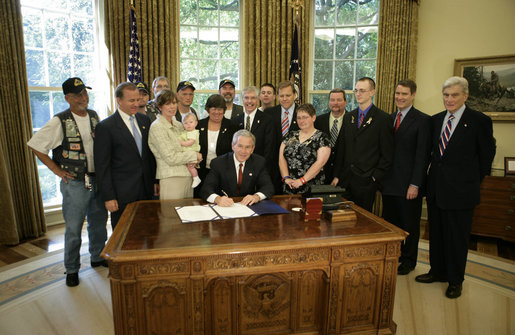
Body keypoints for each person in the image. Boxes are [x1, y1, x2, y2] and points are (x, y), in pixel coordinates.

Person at [415, 76, 495, 299]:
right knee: (437, 235)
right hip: (436, 190)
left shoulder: (479, 121)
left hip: (462, 193)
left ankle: (455, 280)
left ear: (466, 96)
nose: (449, 100)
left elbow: (486, 156)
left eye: (454, 95)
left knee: (457, 239)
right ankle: (437, 271)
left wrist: (470, 181)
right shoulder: (435, 120)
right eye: (446, 95)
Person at [27, 77, 108, 287]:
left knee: (98, 221)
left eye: (85, 93)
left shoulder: (93, 116)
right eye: (78, 95)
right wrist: (57, 171)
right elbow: (36, 146)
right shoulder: (59, 121)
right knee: (73, 228)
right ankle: (72, 268)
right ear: (68, 98)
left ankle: (98, 256)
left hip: (96, 179)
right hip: (75, 183)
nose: (84, 98)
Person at [381, 79, 432, 275]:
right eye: (397, 93)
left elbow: (422, 156)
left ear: (413, 95)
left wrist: (415, 184)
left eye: (404, 94)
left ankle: (409, 261)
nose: (400, 97)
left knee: (409, 225)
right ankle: (396, 256)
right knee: (391, 224)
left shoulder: (423, 121)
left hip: (409, 185)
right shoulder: (390, 118)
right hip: (389, 184)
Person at [94, 82, 157, 229]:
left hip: (145, 189)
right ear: (119, 100)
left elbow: (149, 156)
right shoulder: (105, 127)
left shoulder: (145, 120)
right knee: (123, 235)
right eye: (131, 101)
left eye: (138, 99)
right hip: (122, 193)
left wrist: (155, 181)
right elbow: (102, 165)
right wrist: (109, 197)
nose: (136, 104)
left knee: (146, 230)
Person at [331, 77, 394, 212]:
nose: (358, 94)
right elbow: (341, 148)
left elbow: (387, 154)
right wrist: (337, 175)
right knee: (342, 220)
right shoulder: (349, 117)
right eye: (356, 90)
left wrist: (374, 177)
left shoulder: (383, 119)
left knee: (362, 222)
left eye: (362, 91)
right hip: (345, 181)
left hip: (366, 181)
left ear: (372, 92)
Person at [148, 89, 202, 199]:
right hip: (171, 178)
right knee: (171, 215)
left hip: (188, 176)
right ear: (160, 106)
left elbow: (188, 146)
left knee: (188, 214)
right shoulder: (157, 127)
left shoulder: (179, 125)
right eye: (167, 104)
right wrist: (194, 155)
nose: (172, 106)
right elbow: (170, 158)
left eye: (174, 103)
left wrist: (196, 158)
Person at [200, 130, 274, 206]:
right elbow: (206, 189)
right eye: (240, 146)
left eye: (247, 147)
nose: (243, 151)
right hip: (224, 208)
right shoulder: (218, 163)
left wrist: (256, 197)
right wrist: (217, 199)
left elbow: (268, 187)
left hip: (248, 208)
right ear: (233, 146)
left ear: (252, 149)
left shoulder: (258, 162)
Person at [279, 103, 331, 194]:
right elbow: (281, 157)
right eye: (299, 118)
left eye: (304, 117)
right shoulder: (290, 135)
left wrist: (302, 180)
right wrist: (286, 177)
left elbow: (320, 163)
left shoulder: (322, 138)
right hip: (289, 186)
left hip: (311, 188)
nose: (301, 121)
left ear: (313, 118)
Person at [196, 94, 238, 195]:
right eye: (214, 108)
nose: (217, 112)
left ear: (224, 110)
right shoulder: (198, 125)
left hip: (224, 174)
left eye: (220, 109)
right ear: (208, 109)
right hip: (201, 172)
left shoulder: (232, 126)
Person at [264, 81, 300, 193]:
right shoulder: (269, 113)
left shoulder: (302, 113)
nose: (284, 99)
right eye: (281, 96)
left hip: (296, 168)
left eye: (288, 95)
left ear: (295, 95)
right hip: (273, 168)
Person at [231, 86, 275, 166]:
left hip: (259, 166)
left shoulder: (267, 120)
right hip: (239, 166)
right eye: (246, 98)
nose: (249, 101)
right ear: (242, 100)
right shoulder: (235, 121)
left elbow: (269, 149)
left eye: (253, 98)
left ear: (258, 100)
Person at [314, 88, 347, 182]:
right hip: (321, 175)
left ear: (345, 102)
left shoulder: (352, 121)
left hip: (344, 176)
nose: (335, 103)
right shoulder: (318, 121)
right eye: (332, 100)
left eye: (339, 100)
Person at [179, 112, 202, 188]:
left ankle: (196, 178)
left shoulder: (193, 132)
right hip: (189, 152)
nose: (188, 124)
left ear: (196, 123)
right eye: (185, 123)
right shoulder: (186, 132)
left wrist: (181, 142)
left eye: (191, 122)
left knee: (190, 167)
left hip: (192, 151)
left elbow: (190, 143)